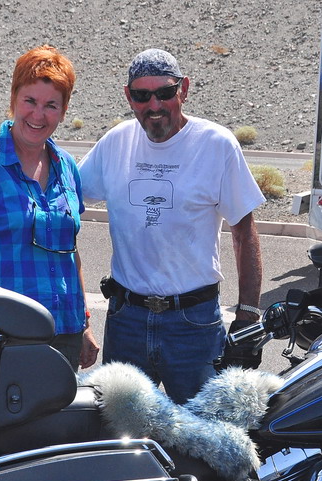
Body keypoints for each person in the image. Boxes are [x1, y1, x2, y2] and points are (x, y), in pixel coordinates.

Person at [78, 48, 265, 404]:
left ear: (184, 89)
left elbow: (244, 233)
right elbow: (63, 200)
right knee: (122, 431)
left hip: (193, 325)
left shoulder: (216, 145)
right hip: (127, 321)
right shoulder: (116, 143)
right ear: (128, 96)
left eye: (165, 92)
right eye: (142, 95)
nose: (154, 105)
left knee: (202, 429)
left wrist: (248, 315)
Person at [0, 45, 98, 371]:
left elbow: (71, 253)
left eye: (51, 105)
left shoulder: (66, 166)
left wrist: (84, 324)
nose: (38, 115)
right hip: (3, 335)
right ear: (14, 99)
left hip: (64, 332)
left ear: (64, 111)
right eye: (30, 101)